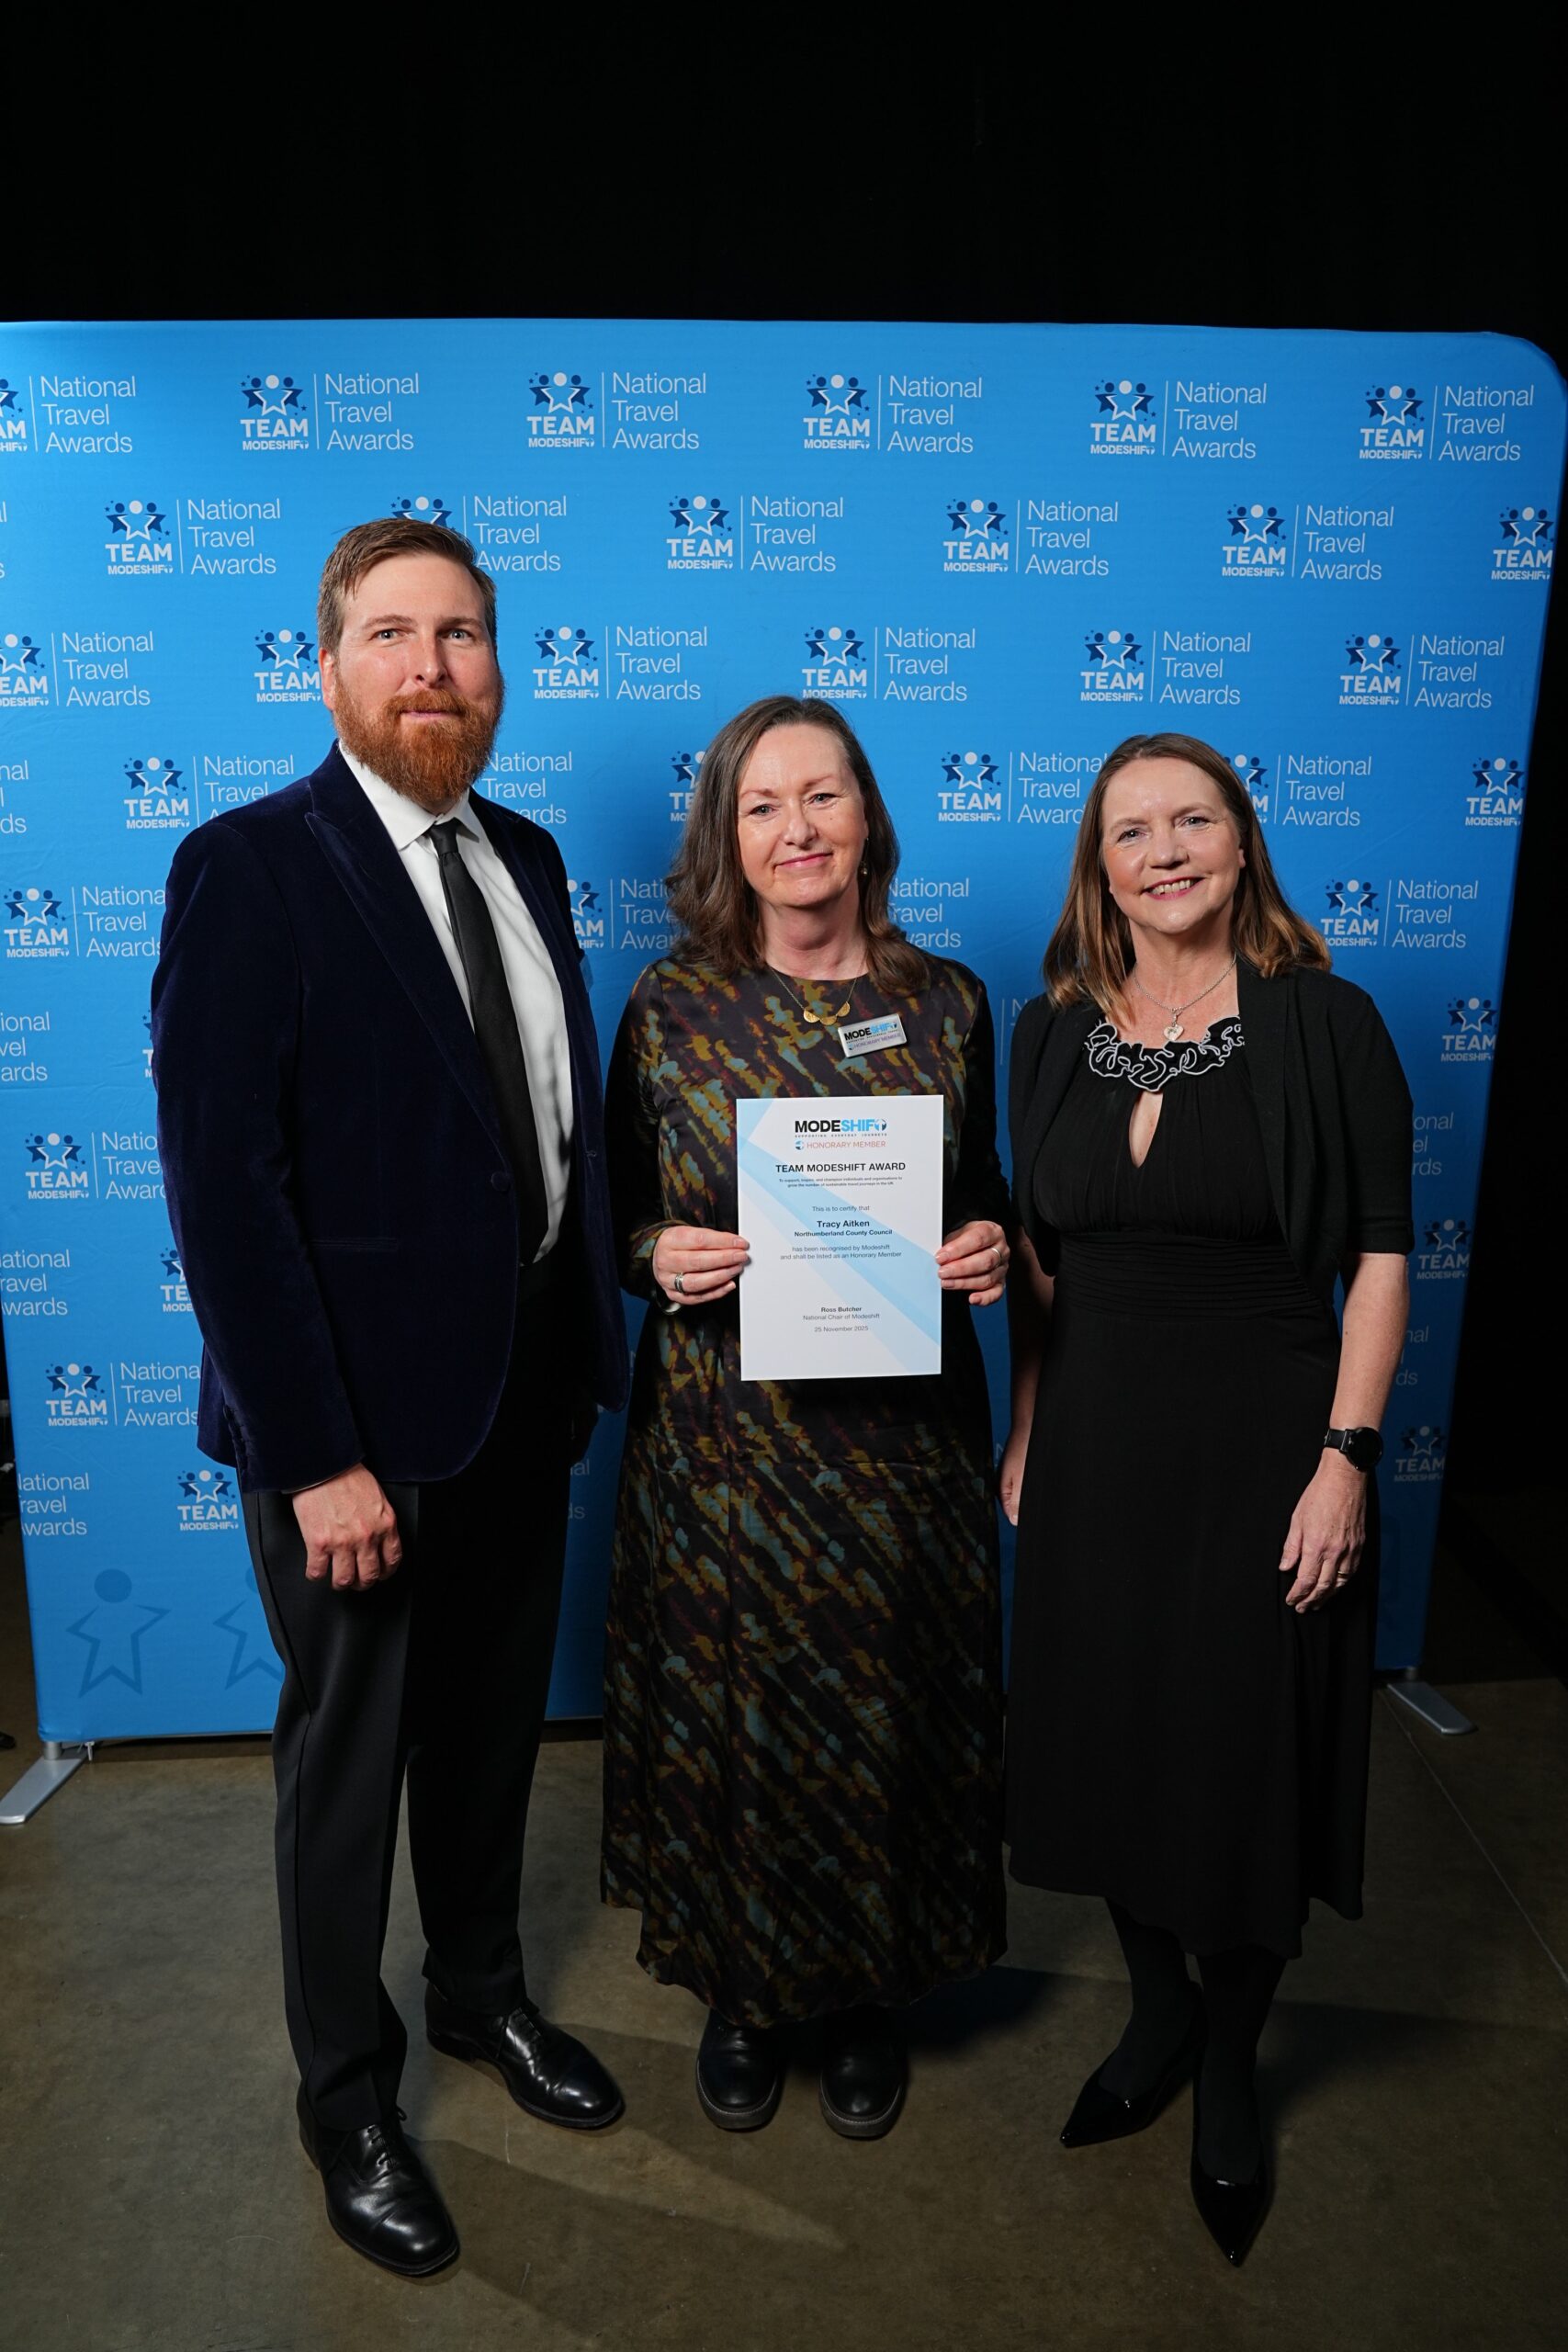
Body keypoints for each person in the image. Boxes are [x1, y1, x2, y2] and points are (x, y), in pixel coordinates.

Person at [152, 517, 628, 2278]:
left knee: (491, 1732)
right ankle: (346, 2096)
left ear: (499, 666)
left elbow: (546, 1125)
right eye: (394, 635)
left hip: (523, 1396)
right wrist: (317, 1457)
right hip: (352, 1437)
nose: (433, 668)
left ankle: (480, 1995)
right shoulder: (249, 866)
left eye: (464, 636)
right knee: (349, 1768)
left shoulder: (533, 856)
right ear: (329, 665)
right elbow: (225, 1190)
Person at [999, 730, 1411, 2265]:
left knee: (1239, 1755)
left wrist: (1345, 1460)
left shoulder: (1327, 1023)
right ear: (1098, 868)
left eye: (1192, 822)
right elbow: (1041, 1264)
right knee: (1110, 1735)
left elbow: (1382, 1262)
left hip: (1266, 1443)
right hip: (1096, 1441)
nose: (1163, 852)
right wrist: (1028, 1428)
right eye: (1132, 832)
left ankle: (1230, 2063)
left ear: (1242, 843)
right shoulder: (1051, 1032)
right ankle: (1158, 2011)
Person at [602, 695, 1010, 2140]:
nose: (797, 829)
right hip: (725, 1448)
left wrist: (989, 1244)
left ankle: (869, 1994)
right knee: (739, 1715)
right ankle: (744, 1992)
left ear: (868, 817)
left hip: (901, 1452)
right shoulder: (668, 1007)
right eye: (762, 805)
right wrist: (656, 1255)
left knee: (885, 1711)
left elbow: (987, 1196)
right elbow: (615, 1219)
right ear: (727, 836)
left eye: (822, 796)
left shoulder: (951, 1003)